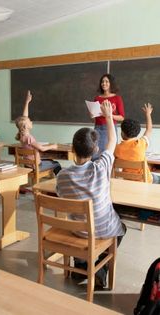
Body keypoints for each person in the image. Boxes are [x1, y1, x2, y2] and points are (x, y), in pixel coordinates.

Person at [57, 100, 125, 287]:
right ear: (96, 149)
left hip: (78, 230)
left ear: (72, 149)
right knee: (122, 228)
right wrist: (109, 116)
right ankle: (99, 269)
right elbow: (112, 141)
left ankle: (80, 263)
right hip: (101, 231)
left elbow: (62, 194)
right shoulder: (101, 168)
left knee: (81, 220)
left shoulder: (62, 176)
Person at [15, 90, 61, 175]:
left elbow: (24, 117)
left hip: (27, 165)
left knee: (50, 161)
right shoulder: (29, 138)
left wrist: (27, 102)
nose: (31, 122)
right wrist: (53, 146)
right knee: (56, 164)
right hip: (36, 166)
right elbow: (42, 149)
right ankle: (58, 184)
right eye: (30, 121)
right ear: (25, 126)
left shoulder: (22, 135)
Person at [115, 103, 160, 184]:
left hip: (128, 181)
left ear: (122, 133)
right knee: (156, 177)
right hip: (145, 181)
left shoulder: (117, 148)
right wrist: (148, 114)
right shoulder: (140, 144)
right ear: (138, 133)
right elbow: (149, 129)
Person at [93, 73, 125, 157]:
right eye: (102, 82)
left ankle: (109, 170)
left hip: (110, 128)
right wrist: (92, 113)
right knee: (95, 154)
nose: (104, 83)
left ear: (111, 83)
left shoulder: (117, 98)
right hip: (97, 128)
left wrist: (108, 115)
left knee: (109, 154)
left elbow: (121, 117)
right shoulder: (97, 98)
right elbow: (94, 116)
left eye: (107, 81)